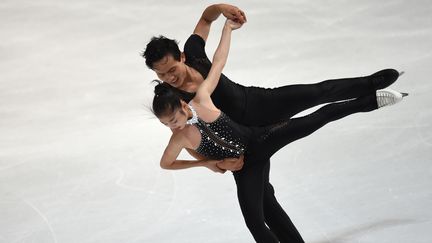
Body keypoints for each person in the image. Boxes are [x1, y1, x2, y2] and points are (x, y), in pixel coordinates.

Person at [142, 4, 402, 242]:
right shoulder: (172, 100)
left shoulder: (196, 53)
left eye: (171, 69)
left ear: (182, 57)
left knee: (315, 92)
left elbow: (205, 19)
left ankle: (371, 85)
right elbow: (187, 137)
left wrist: (222, 8)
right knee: (264, 203)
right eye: (160, 73)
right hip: (243, 140)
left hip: (259, 103)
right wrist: (212, 164)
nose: (168, 77)